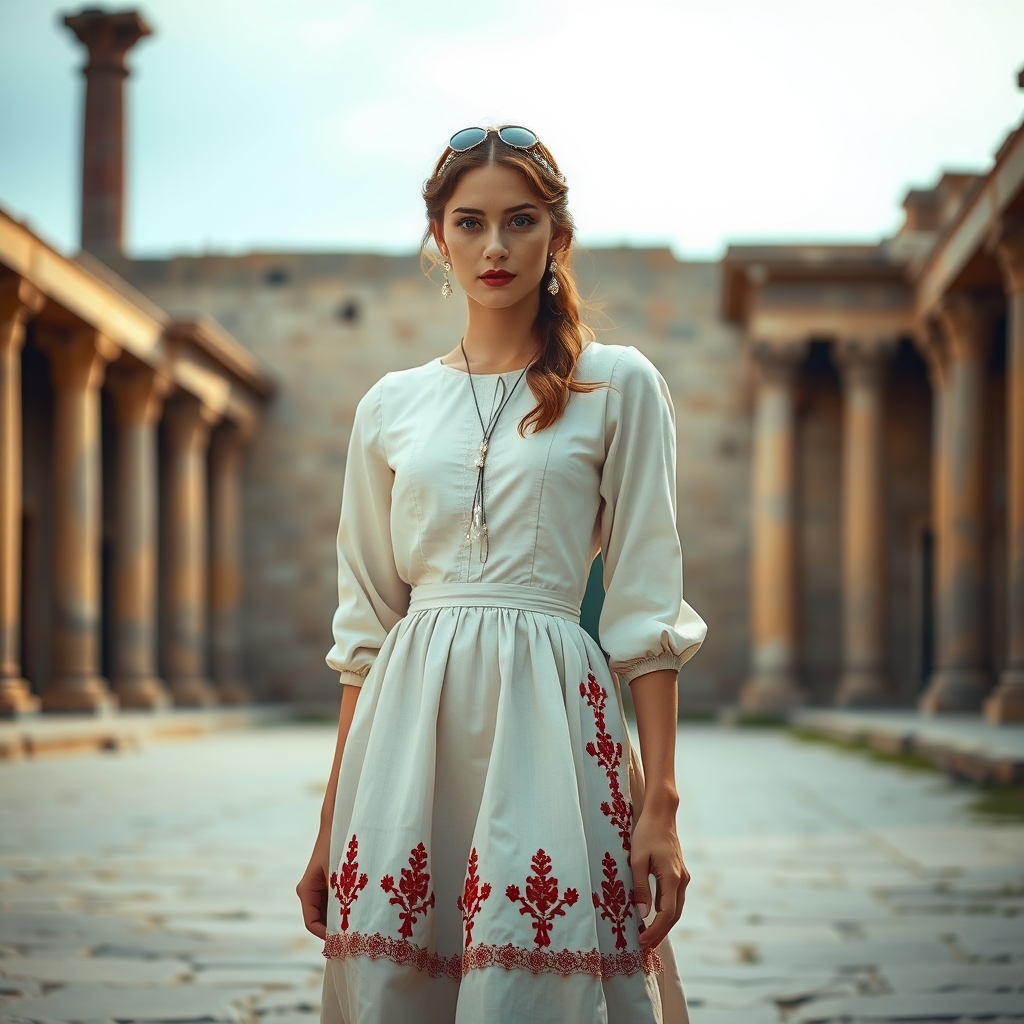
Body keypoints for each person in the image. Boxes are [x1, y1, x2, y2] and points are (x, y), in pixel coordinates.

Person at [296, 125, 707, 1024]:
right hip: (406, 736)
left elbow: (646, 609)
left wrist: (661, 804)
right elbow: (364, 628)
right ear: (437, 238)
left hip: (555, 722)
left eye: (520, 221)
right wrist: (331, 822)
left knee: (537, 979)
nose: (494, 247)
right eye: (470, 222)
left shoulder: (618, 384)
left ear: (556, 237)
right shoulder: (389, 406)